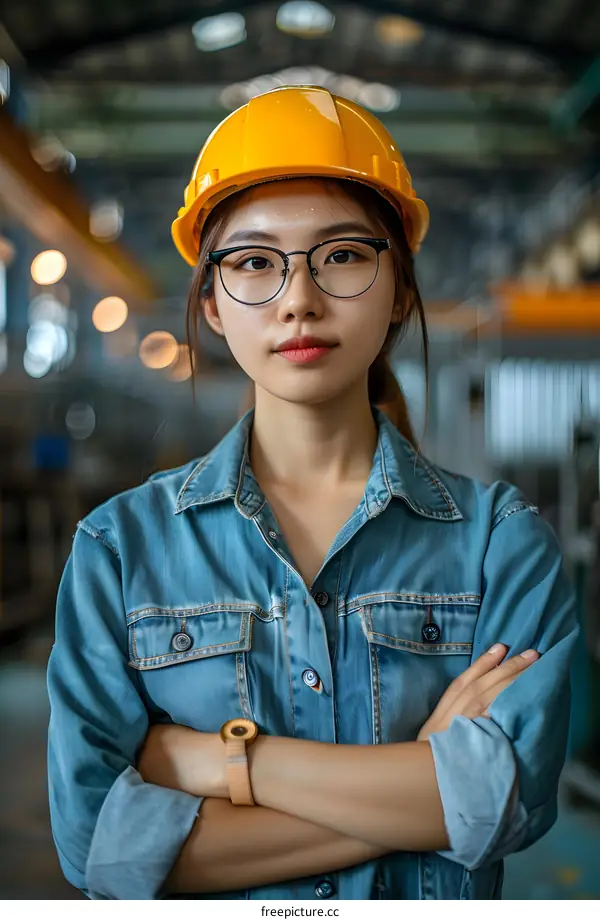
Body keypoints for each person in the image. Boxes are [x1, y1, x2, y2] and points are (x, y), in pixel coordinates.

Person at [47, 86, 578, 900]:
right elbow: (102, 855)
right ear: (213, 305)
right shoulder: (119, 552)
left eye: (342, 255)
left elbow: (502, 803)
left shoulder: (499, 546)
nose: (298, 298)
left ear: (399, 287)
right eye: (255, 262)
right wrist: (423, 790)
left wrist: (220, 761)